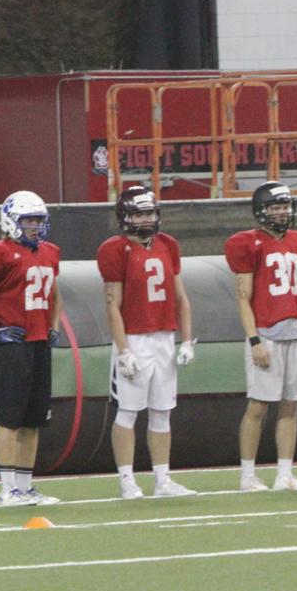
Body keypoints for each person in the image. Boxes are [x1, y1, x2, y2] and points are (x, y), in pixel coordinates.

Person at [97, 186, 197, 499]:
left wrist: (187, 340)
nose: (146, 219)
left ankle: (163, 480)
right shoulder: (114, 249)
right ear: (125, 217)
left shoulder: (168, 244)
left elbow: (181, 298)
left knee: (162, 412)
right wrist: (123, 349)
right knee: (128, 412)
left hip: (164, 336)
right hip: (134, 338)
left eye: (149, 213)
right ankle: (127, 481)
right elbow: (112, 304)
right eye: (139, 214)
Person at [224, 182, 297, 492]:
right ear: (261, 211)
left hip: (296, 332)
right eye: (276, 208)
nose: (282, 213)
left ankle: (284, 475)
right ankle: (247, 476)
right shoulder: (248, 244)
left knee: (291, 406)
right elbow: (243, 297)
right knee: (258, 406)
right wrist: (254, 341)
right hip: (266, 333)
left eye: (285, 207)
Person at [0, 191, 62, 507]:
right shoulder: (0, 252)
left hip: (38, 343)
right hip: (11, 346)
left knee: (34, 420)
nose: (34, 226)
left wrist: (54, 326)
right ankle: (8, 489)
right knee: (10, 419)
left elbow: (55, 295)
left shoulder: (50, 252)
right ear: (11, 221)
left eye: (38, 220)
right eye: (28, 220)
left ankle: (25, 486)